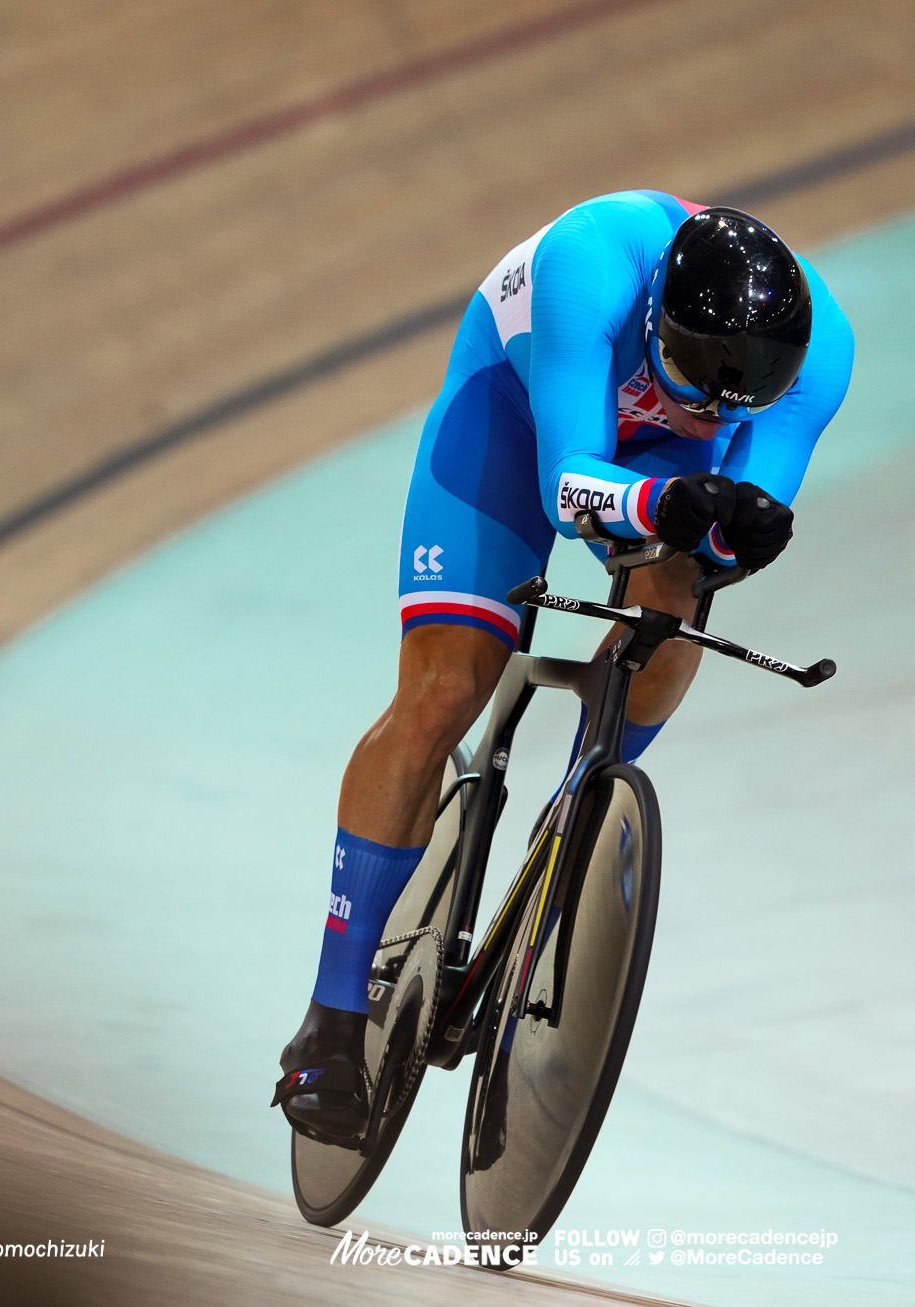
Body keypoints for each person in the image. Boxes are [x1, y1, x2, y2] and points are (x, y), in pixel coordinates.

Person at [273, 192, 853, 1143]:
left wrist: (736, 535)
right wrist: (670, 496)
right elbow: (568, 477)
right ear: (660, 314)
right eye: (689, 378)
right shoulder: (594, 264)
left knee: (676, 612)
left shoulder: (820, 358)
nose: (707, 407)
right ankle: (329, 1018)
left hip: (656, 465)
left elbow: (740, 518)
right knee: (446, 689)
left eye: (730, 400)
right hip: (518, 410)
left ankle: (571, 826)